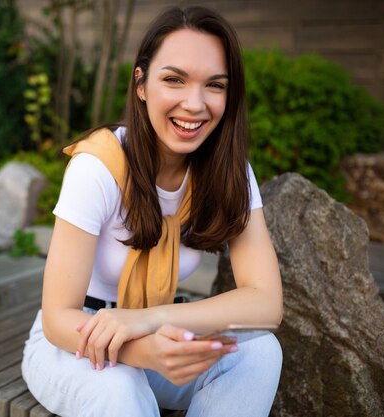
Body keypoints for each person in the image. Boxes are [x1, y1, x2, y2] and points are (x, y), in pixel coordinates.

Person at [22, 5, 283, 417]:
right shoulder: (98, 166)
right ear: (141, 84)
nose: (195, 104)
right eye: (174, 80)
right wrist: (142, 348)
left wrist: (152, 321)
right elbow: (57, 318)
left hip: (156, 328)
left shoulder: (229, 172)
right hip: (75, 341)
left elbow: (266, 302)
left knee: (259, 353)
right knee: (119, 388)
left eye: (214, 85)